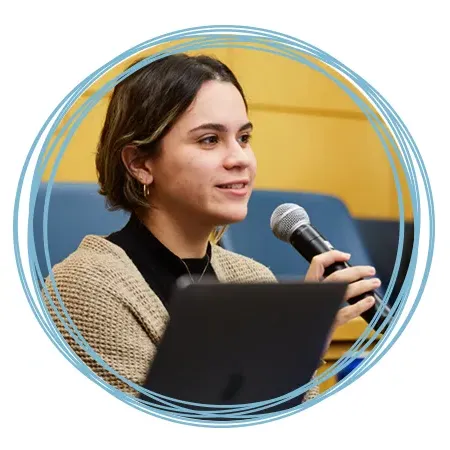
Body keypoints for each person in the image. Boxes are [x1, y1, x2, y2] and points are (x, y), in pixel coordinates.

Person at [43, 53, 380, 403]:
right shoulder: (83, 286)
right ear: (140, 163)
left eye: (244, 138)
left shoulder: (254, 278)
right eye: (209, 140)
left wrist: (301, 345)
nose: (240, 159)